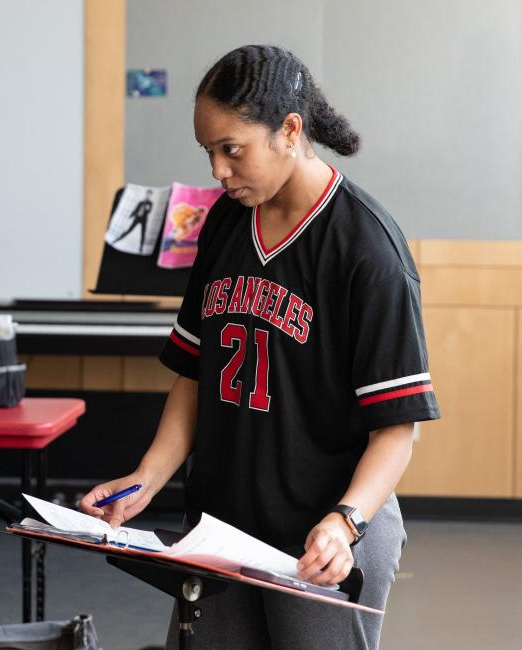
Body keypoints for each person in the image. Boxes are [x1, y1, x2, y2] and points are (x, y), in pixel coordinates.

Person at [80, 44, 440, 649]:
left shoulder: (369, 253)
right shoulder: (224, 224)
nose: (218, 170)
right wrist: (145, 478)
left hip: (319, 540)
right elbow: (194, 373)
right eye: (209, 152)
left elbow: (396, 430)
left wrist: (345, 523)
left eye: (232, 150)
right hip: (220, 528)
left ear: (290, 131)